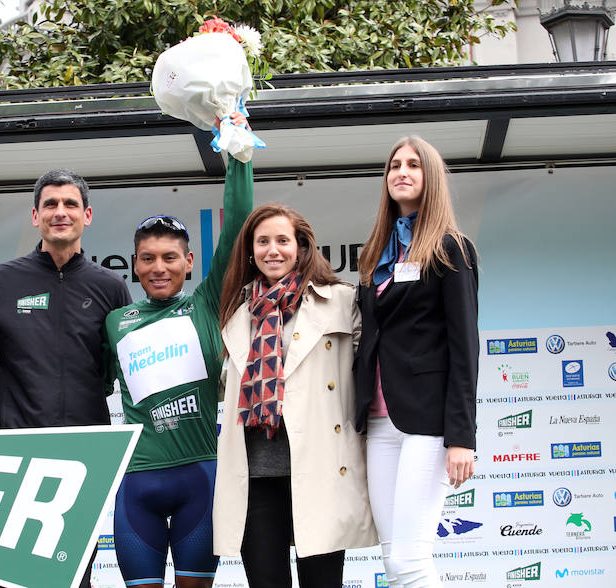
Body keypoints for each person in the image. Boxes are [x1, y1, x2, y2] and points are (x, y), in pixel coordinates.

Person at [103, 112, 253, 588]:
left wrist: (237, 153)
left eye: (170, 257)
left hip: (200, 480)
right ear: (135, 266)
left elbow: (238, 228)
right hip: (136, 484)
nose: (159, 267)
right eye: (148, 258)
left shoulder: (207, 304)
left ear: (189, 262)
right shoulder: (115, 321)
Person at [0, 168, 131, 588]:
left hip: (84, 459)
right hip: (10, 455)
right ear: (35, 216)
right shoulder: (0, 280)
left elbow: (130, 368)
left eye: (70, 204)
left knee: (75, 576)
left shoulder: (111, 286)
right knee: (7, 577)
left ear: (87, 215)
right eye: (51, 205)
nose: (61, 212)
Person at [213, 204, 377, 588]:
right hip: (255, 474)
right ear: (250, 251)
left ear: (301, 246)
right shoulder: (237, 310)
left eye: (282, 240)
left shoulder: (340, 300)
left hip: (319, 469)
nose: (273, 250)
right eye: (263, 241)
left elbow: (370, 368)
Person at [354, 136, 478, 588]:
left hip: (427, 422)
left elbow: (465, 347)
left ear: (431, 177)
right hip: (379, 422)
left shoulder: (451, 248)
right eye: (394, 166)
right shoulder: (376, 255)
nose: (401, 172)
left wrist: (462, 437)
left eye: (413, 165)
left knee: (410, 561)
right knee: (393, 561)